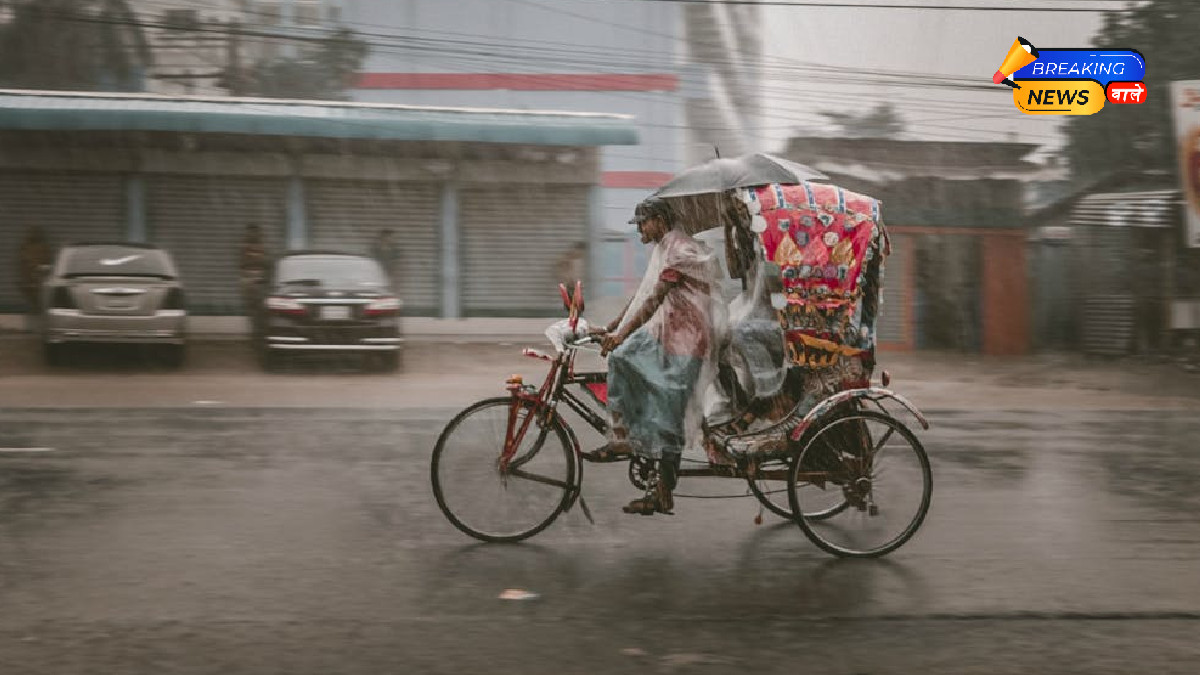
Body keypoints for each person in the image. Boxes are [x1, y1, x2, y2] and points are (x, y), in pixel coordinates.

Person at [584, 198, 723, 516]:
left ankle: (660, 485)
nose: (641, 231)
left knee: (667, 409)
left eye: (643, 223)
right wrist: (613, 326)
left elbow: (653, 300)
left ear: (659, 219)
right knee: (622, 358)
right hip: (668, 332)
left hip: (686, 339)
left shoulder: (679, 249)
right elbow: (643, 293)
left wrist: (620, 335)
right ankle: (627, 437)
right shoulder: (665, 248)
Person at [16, 226, 52, 333]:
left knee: (41, 305)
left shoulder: (43, 247)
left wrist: (42, 269)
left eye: (35, 233)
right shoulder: (25, 247)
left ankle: (41, 328)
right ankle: (31, 327)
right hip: (28, 279)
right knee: (31, 305)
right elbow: (22, 262)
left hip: (40, 280)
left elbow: (47, 261)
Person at [239, 224, 269, 316]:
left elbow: (264, 262)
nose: (252, 234)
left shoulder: (261, 247)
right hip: (247, 276)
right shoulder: (244, 246)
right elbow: (241, 262)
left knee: (260, 304)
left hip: (259, 276)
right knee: (250, 304)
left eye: (254, 232)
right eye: (250, 232)